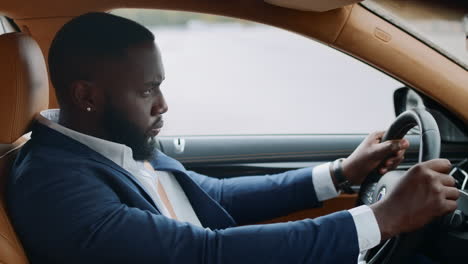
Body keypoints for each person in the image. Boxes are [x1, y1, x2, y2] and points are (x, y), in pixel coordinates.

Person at [7, 12, 458, 264]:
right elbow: (201, 253)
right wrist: (379, 220)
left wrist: (341, 173)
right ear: (86, 95)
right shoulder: (54, 184)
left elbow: (212, 195)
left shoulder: (109, 145)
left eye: (159, 85)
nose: (162, 104)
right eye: (147, 90)